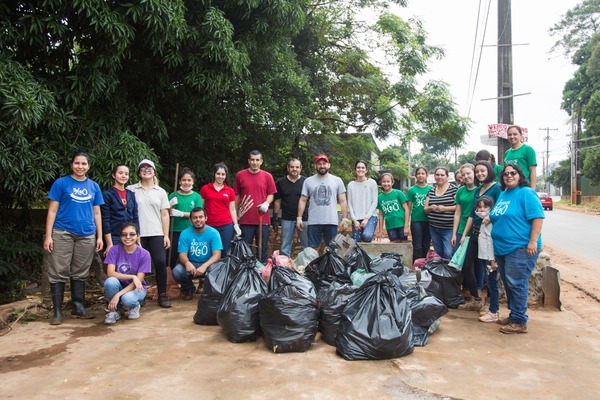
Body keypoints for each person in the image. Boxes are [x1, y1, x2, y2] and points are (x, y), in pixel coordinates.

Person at [43, 151, 104, 325]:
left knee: (81, 272)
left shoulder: (93, 186)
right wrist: (49, 236)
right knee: (58, 271)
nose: (80, 167)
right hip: (62, 232)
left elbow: (97, 212)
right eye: (77, 163)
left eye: (84, 164)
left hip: (86, 234)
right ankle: (57, 312)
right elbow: (52, 210)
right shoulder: (61, 183)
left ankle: (79, 307)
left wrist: (99, 236)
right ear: (71, 165)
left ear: (89, 166)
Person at [490, 163, 544, 334]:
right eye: (506, 174)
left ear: (520, 175)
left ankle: (520, 321)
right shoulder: (504, 194)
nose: (509, 176)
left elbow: (537, 217)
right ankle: (515, 315)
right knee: (509, 284)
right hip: (502, 248)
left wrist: (533, 241)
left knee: (517, 283)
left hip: (520, 247)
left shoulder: (526, 193)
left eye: (513, 173)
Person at [127, 159, 172, 308]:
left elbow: (164, 214)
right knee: (137, 266)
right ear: (139, 172)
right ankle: (138, 295)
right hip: (136, 234)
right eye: (143, 168)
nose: (146, 170)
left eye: (149, 168)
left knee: (160, 262)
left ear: (154, 171)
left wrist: (166, 235)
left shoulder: (161, 191)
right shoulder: (131, 189)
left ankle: (162, 294)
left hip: (156, 232)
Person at [458, 161, 502, 312]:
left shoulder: (497, 188)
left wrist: (491, 216)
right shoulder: (478, 190)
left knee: (490, 269)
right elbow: (472, 213)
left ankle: (491, 303)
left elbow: (501, 208)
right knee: (466, 266)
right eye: (477, 172)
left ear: (489, 170)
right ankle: (475, 299)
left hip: (489, 233)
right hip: (475, 232)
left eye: (482, 171)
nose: (480, 174)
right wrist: (464, 234)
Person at [297, 154, 349, 250]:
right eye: (319, 164)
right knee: (313, 249)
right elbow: (303, 200)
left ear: (329, 165)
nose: (322, 166)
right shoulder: (308, 181)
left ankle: (330, 265)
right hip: (313, 221)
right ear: (315, 166)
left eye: (324, 163)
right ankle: (314, 265)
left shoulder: (337, 180)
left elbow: (343, 200)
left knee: (332, 249)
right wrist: (299, 218)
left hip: (331, 221)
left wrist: (345, 218)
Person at [234, 150, 277, 263]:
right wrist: (235, 215)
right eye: (252, 159)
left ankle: (261, 274)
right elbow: (237, 195)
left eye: (257, 160)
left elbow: (271, 194)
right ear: (249, 161)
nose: (254, 162)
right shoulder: (240, 175)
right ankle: (245, 273)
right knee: (244, 249)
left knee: (262, 249)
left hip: (263, 219)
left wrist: (266, 204)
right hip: (245, 219)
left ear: (261, 161)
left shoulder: (267, 176)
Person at [103, 222, 151, 324]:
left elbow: (137, 282)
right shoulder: (114, 250)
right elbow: (110, 273)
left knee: (127, 299)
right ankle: (115, 310)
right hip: (119, 285)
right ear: (120, 237)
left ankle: (135, 306)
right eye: (124, 235)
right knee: (110, 282)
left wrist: (117, 295)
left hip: (137, 288)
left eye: (132, 234)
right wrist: (132, 276)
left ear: (138, 236)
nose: (128, 237)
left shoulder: (144, 254)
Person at [172, 207, 223, 300]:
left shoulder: (214, 233)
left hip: (209, 265)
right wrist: (187, 263)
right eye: (195, 217)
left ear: (206, 218)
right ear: (190, 219)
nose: (198, 220)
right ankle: (188, 288)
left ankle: (208, 289)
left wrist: (205, 266)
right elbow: (182, 255)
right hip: (192, 264)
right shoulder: (185, 233)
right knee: (177, 271)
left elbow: (217, 255)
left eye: (200, 217)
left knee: (220, 270)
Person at [200, 162, 241, 257]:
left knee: (225, 251)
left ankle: (223, 271)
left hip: (226, 225)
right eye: (218, 174)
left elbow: (232, 209)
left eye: (223, 174)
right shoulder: (205, 188)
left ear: (226, 176)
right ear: (214, 174)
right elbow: (201, 208)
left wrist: (236, 225)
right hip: (209, 224)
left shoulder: (230, 190)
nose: (220, 176)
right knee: (209, 250)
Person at [168, 168, 203, 268]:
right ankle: (171, 278)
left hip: (191, 231)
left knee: (189, 256)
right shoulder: (173, 195)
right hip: (174, 230)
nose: (186, 183)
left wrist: (181, 214)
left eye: (189, 180)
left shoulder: (196, 196)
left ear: (193, 181)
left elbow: (198, 214)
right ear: (179, 181)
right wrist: (169, 205)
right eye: (184, 180)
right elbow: (165, 213)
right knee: (172, 255)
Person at [273, 158, 308, 257]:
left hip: (304, 219)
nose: (294, 169)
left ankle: (307, 268)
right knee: (285, 247)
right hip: (287, 218)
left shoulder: (306, 181)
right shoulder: (281, 182)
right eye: (292, 167)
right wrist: (275, 218)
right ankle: (285, 269)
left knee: (306, 246)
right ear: (288, 168)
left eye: (297, 167)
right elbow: (277, 200)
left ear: (300, 169)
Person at [101, 164, 139, 256]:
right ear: (114, 175)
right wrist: (109, 243)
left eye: (126, 174)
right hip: (114, 235)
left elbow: (135, 218)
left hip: (130, 236)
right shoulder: (107, 194)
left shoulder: (131, 194)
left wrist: (138, 240)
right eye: (120, 173)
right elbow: (105, 220)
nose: (124, 176)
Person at [473, 196, 499, 323]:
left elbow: (490, 241)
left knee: (492, 284)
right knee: (490, 282)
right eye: (480, 207)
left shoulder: (489, 222)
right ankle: (493, 310)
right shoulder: (484, 221)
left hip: (490, 260)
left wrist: (492, 260)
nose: (482, 209)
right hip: (486, 258)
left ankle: (494, 311)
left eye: (485, 207)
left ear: (491, 208)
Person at [424, 167, 457, 259]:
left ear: (447, 177)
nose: (439, 177)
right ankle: (441, 272)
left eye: (442, 175)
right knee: (438, 254)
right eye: (437, 175)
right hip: (434, 228)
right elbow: (425, 209)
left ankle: (451, 272)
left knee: (448, 253)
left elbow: (459, 207)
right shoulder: (431, 190)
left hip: (449, 228)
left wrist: (445, 208)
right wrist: (431, 208)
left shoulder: (453, 189)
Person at [347, 160, 379, 243]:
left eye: (362, 168)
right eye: (358, 167)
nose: (360, 169)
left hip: (370, 217)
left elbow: (374, 202)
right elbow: (349, 203)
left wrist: (366, 219)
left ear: (366, 170)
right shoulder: (351, 185)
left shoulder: (372, 183)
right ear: (355, 170)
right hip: (356, 219)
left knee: (367, 236)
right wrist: (354, 220)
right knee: (356, 241)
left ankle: (370, 232)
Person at [406, 167, 433, 260]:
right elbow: (408, 208)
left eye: (423, 173)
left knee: (426, 245)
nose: (420, 175)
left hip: (429, 220)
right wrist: (406, 224)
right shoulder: (412, 190)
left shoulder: (431, 189)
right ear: (415, 175)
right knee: (417, 246)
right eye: (418, 173)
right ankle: (416, 267)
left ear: (426, 175)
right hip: (416, 220)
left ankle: (425, 266)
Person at [376, 173, 410, 243]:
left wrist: (406, 225)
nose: (386, 184)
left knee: (403, 243)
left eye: (388, 181)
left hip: (401, 224)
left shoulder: (398, 193)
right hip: (390, 226)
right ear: (381, 183)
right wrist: (380, 231)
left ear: (392, 182)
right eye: (384, 181)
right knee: (394, 244)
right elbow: (381, 215)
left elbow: (406, 209)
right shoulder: (379, 197)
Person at [451, 164, 477, 255]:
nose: (466, 176)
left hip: (476, 227)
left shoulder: (481, 189)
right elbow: (457, 213)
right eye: (463, 175)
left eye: (468, 173)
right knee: (458, 256)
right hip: (462, 227)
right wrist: (454, 234)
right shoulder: (460, 191)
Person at [504, 125, 537, 189]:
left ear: (520, 136)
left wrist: (532, 189)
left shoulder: (528, 149)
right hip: (511, 188)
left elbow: (533, 170)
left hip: (524, 187)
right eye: (509, 135)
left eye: (515, 134)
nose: (512, 136)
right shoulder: (507, 153)